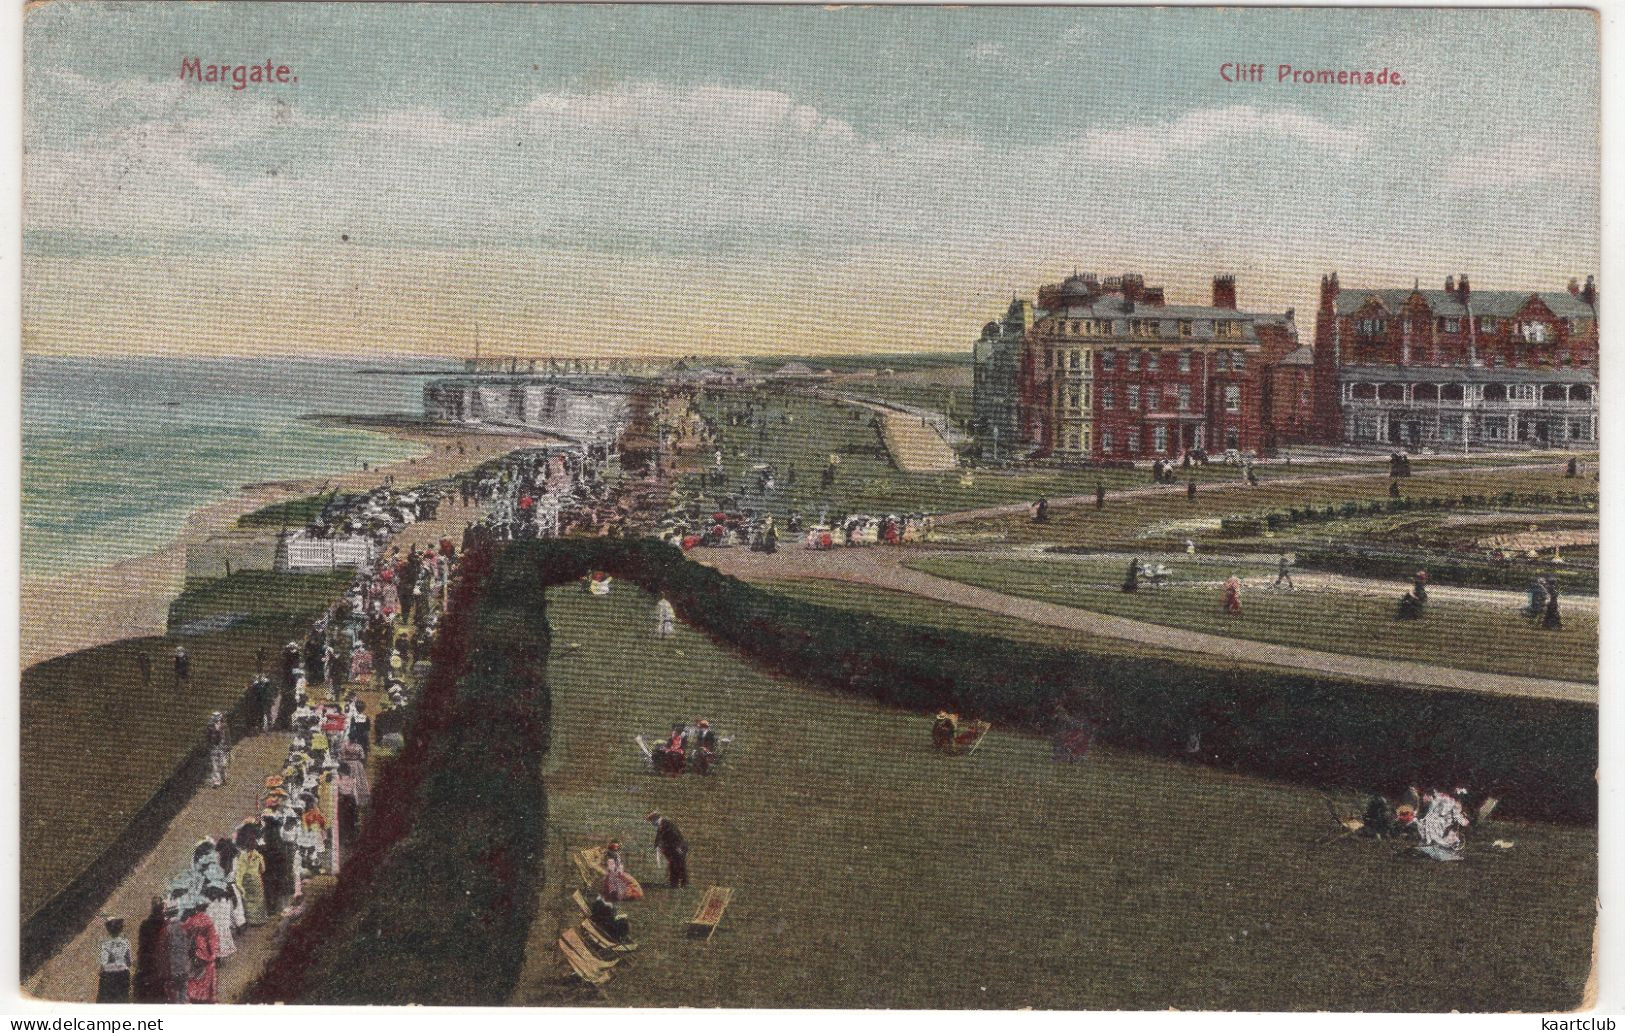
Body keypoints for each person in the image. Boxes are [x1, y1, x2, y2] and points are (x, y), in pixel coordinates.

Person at [183, 897, 219, 1004]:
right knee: (207, 972)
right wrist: (213, 953)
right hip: (205, 950)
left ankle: (194, 994)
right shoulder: (208, 920)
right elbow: (212, 938)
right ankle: (206, 995)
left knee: (194, 973)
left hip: (194, 950)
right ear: (205, 908)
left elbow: (185, 932)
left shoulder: (191, 920)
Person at [134, 897, 169, 1003]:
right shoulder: (166, 924)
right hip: (160, 962)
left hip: (148, 961)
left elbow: (142, 945)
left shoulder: (144, 924)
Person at [647, 811, 690, 888]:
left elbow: (675, 836)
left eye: (651, 821)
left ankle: (685, 883)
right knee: (673, 865)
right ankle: (674, 883)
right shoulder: (661, 825)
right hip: (674, 848)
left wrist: (678, 848)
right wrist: (656, 846)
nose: (652, 824)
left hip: (678, 848)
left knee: (680, 865)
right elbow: (659, 836)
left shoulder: (666, 824)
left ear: (655, 819)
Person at [96, 917, 132, 1003]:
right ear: (120, 929)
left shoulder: (105, 944)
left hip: (110, 976)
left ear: (108, 930)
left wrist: (100, 971)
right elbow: (129, 962)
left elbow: (104, 963)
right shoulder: (126, 942)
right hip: (123, 974)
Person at [205, 712, 229, 788]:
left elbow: (227, 737)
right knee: (215, 765)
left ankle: (224, 778)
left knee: (223, 764)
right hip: (214, 748)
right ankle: (216, 782)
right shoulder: (210, 727)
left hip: (222, 748)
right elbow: (208, 737)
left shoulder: (224, 726)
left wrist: (228, 746)